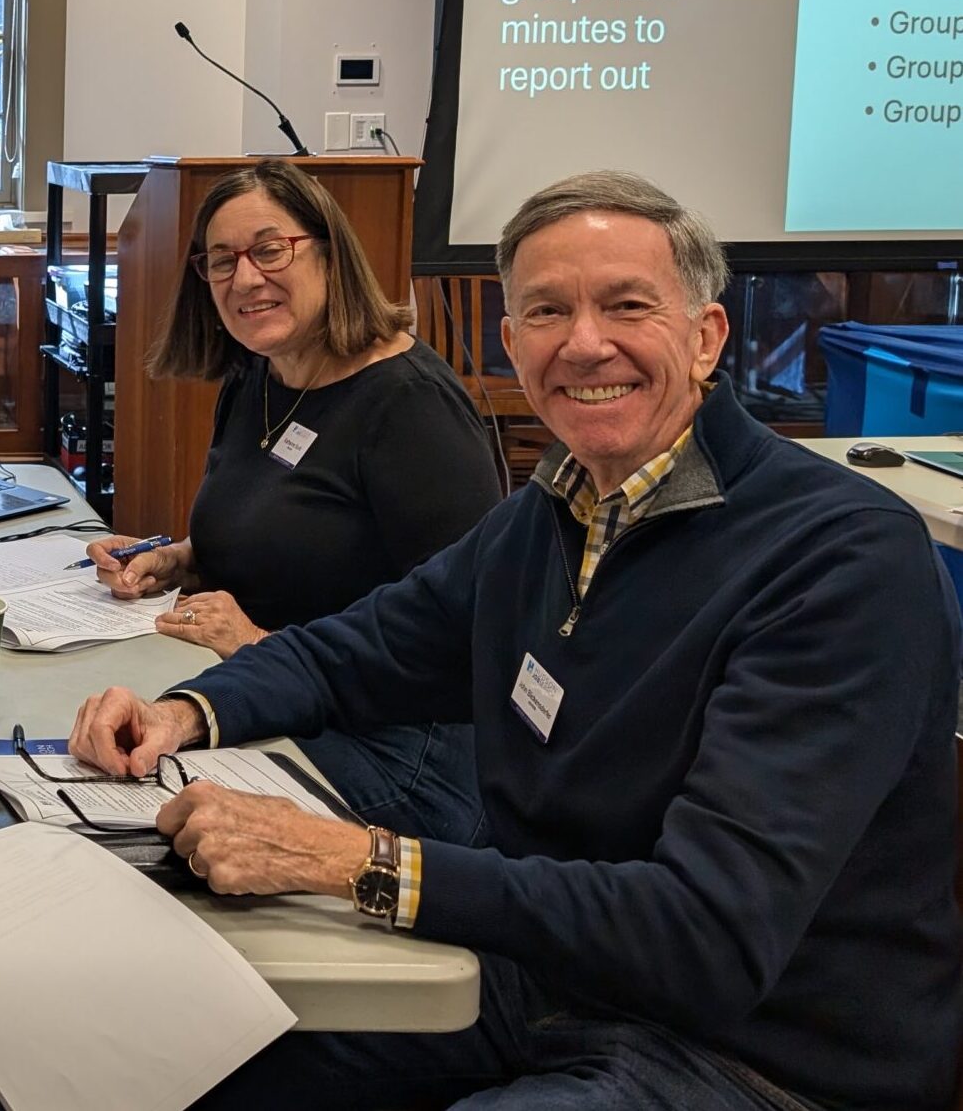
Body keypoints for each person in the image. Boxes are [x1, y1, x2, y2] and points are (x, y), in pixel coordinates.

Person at [71, 172, 962, 1109]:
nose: (584, 343)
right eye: (546, 311)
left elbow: (706, 937)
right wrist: (184, 711)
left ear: (706, 339)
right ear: (512, 342)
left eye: (625, 306)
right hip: (548, 976)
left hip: (754, 1057)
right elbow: (357, 648)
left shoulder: (838, 560)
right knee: (177, 1053)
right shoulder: (554, 513)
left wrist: (352, 860)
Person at [87, 158, 500, 844]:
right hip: (267, 697)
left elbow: (468, 637)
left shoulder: (410, 407)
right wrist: (177, 561)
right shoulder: (261, 376)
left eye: (270, 250)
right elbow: (300, 539)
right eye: (221, 262)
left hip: (402, 746)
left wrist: (256, 643)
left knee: (145, 818)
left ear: (330, 253)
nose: (245, 278)